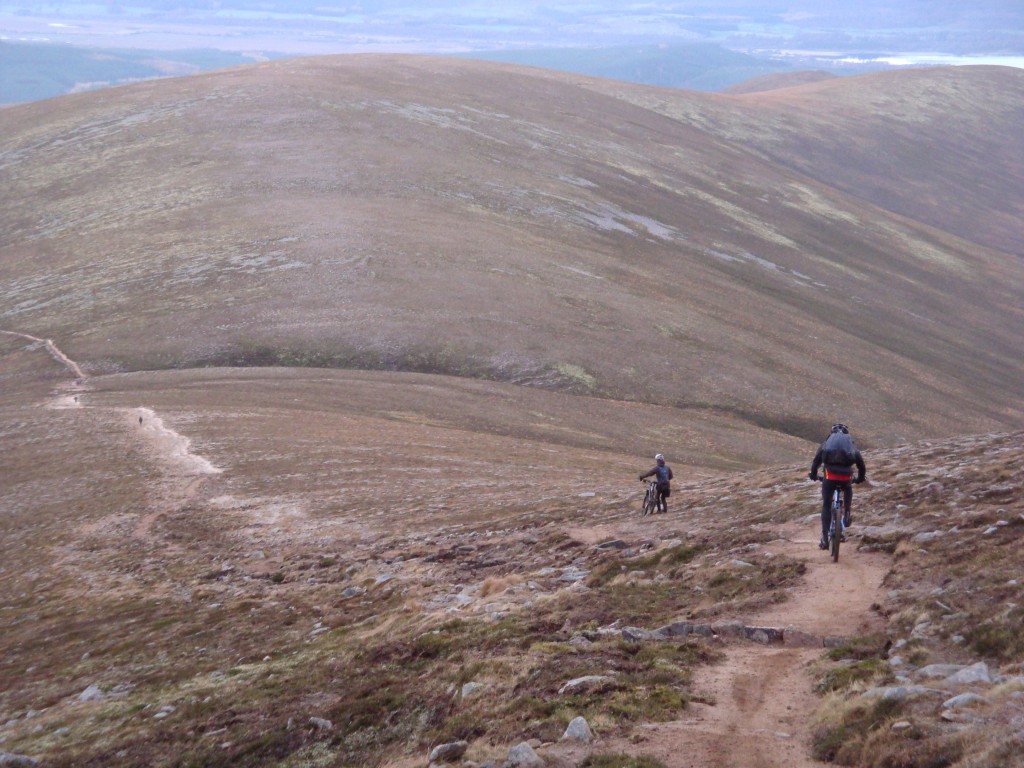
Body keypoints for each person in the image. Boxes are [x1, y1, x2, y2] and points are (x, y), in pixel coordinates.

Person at [809, 423, 866, 550]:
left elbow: (816, 462)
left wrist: (813, 475)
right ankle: (846, 513)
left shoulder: (826, 444)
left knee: (826, 505)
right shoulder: (850, 446)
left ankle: (824, 538)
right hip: (846, 477)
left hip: (829, 477)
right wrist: (860, 479)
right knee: (847, 488)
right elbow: (861, 465)